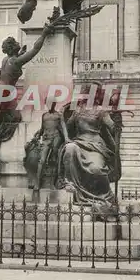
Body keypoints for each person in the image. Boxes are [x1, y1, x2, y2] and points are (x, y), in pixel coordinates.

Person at [0, 22, 54, 167]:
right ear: (14, 47)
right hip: (2, 92)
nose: (19, 43)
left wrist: (20, 54)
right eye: (16, 43)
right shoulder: (17, 61)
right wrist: (44, 33)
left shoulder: (7, 59)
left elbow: (7, 70)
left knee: (15, 118)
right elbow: (36, 49)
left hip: (4, 92)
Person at [58, 87, 120, 218]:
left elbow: (112, 127)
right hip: (79, 142)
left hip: (95, 145)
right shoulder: (78, 110)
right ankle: (70, 184)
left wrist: (116, 121)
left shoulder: (101, 111)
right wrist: (62, 117)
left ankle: (100, 195)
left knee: (96, 169)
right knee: (70, 149)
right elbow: (68, 127)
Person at [24, 101, 68, 191]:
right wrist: (37, 135)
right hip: (46, 138)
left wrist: (66, 138)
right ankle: (37, 183)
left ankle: (53, 182)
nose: (49, 105)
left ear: (54, 104)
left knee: (55, 157)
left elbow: (63, 127)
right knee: (42, 160)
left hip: (56, 137)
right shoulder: (44, 115)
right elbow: (42, 128)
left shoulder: (59, 115)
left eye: (51, 103)